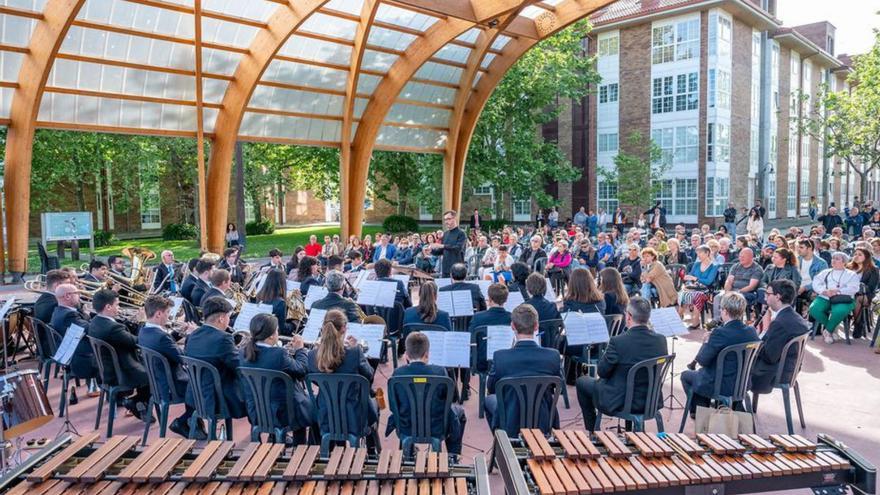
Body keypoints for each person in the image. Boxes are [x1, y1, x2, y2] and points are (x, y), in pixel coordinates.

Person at [575, 297, 667, 431]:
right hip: (650, 400)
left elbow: (602, 372)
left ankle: (593, 433)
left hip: (621, 401)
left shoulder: (618, 341)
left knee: (582, 382)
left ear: (629, 317)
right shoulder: (661, 340)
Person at [484, 305, 563, 434]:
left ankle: (501, 441)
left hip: (510, 420)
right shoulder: (552, 356)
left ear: (513, 326)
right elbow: (558, 386)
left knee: (488, 400)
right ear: (536, 326)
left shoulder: (500, 357)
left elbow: (492, 388)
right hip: (543, 420)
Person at [680, 292, 759, 415]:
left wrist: (706, 342)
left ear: (726, 311)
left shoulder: (720, 333)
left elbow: (702, 360)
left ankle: (699, 412)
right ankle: (732, 405)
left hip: (720, 385)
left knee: (686, 376)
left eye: (721, 309)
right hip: (742, 384)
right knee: (702, 376)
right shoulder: (751, 331)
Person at [307, 310, 378, 445]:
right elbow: (369, 376)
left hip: (325, 413)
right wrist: (358, 351)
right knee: (375, 402)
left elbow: (316, 381)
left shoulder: (312, 355)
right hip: (354, 414)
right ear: (344, 328)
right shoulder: (354, 352)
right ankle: (371, 449)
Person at [389, 332, 466, 455]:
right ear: (427, 354)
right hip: (436, 427)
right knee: (459, 413)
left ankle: (408, 453)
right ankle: (453, 455)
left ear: (407, 355)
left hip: (406, 426)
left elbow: (393, 406)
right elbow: (449, 400)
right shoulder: (440, 371)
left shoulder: (397, 374)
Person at [138, 295, 204, 438]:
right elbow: (183, 358)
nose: (169, 316)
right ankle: (184, 421)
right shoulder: (162, 337)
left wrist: (179, 333)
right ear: (159, 314)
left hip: (157, 384)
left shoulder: (144, 331)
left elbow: (166, 346)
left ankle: (195, 425)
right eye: (167, 312)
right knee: (201, 385)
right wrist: (191, 336)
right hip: (172, 385)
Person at [240, 314, 311, 441]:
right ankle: (300, 448)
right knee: (311, 406)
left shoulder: (243, 352)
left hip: (256, 411)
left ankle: (274, 438)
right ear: (272, 335)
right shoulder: (279, 354)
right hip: (283, 413)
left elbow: (267, 359)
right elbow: (301, 371)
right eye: (277, 330)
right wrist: (300, 350)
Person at [88, 289, 150, 419]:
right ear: (108, 307)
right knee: (155, 374)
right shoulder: (113, 328)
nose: (119, 307)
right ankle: (137, 401)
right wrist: (142, 323)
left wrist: (130, 324)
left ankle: (139, 402)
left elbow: (122, 337)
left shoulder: (95, 322)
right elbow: (138, 342)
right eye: (117, 304)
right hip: (120, 373)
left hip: (105, 370)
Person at [184, 297, 247, 420]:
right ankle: (269, 433)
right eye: (229, 317)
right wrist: (245, 350)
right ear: (221, 318)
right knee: (262, 392)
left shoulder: (193, 334)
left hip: (195, 395)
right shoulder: (223, 338)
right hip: (219, 399)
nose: (229, 321)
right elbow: (239, 366)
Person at [750, 280, 811, 394]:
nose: (765, 297)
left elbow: (769, 357)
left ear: (778, 297)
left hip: (775, 373)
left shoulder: (780, 323)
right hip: (790, 369)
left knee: (733, 365)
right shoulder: (794, 317)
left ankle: (734, 405)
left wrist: (754, 341)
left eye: (768, 294)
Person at [51, 283, 99, 387]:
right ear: (68, 296)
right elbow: (89, 329)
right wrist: (91, 315)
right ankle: (117, 396)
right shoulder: (69, 315)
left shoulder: (58, 310)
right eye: (77, 293)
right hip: (80, 359)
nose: (80, 296)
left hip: (74, 353)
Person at [809, 251, 860, 344]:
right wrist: (824, 291)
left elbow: (854, 288)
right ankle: (831, 329)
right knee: (813, 309)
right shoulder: (825, 272)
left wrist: (838, 291)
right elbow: (816, 283)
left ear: (844, 262)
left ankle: (827, 331)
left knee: (839, 311)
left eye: (837, 259)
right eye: (833, 258)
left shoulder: (851, 274)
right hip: (825, 297)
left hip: (843, 298)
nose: (833, 260)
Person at [713, 248, 763, 320]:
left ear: (751, 257)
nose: (740, 258)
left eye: (743, 256)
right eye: (740, 256)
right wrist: (727, 292)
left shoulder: (757, 268)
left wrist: (737, 293)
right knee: (718, 297)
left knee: (735, 299)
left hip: (748, 292)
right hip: (732, 290)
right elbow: (729, 281)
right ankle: (717, 320)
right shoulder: (736, 266)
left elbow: (751, 286)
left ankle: (735, 321)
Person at [678, 246, 719, 328]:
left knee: (697, 295)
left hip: (707, 290)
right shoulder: (696, 264)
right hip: (694, 287)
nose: (698, 255)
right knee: (683, 294)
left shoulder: (714, 266)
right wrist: (688, 279)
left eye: (700, 253)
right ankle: (678, 318)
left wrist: (695, 278)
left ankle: (696, 322)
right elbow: (690, 276)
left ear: (707, 253)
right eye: (697, 253)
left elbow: (709, 281)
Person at [849, 247, 879, 338]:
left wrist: (858, 286)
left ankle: (858, 324)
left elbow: (871, 287)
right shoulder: (848, 267)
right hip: (848, 293)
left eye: (859, 254)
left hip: (865, 295)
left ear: (866, 257)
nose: (856, 256)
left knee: (858, 298)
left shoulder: (873, 269)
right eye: (855, 254)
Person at [254, 269, 293, 336]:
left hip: (258, 331)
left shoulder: (259, 296)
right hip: (271, 335)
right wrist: (294, 324)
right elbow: (282, 329)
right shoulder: (280, 303)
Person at [432, 210, 467, 278]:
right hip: (445, 267)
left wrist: (442, 245)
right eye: (445, 219)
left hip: (457, 268)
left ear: (454, 219)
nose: (446, 222)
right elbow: (442, 250)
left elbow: (458, 248)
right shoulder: (445, 234)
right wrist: (431, 251)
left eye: (448, 219)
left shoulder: (461, 233)